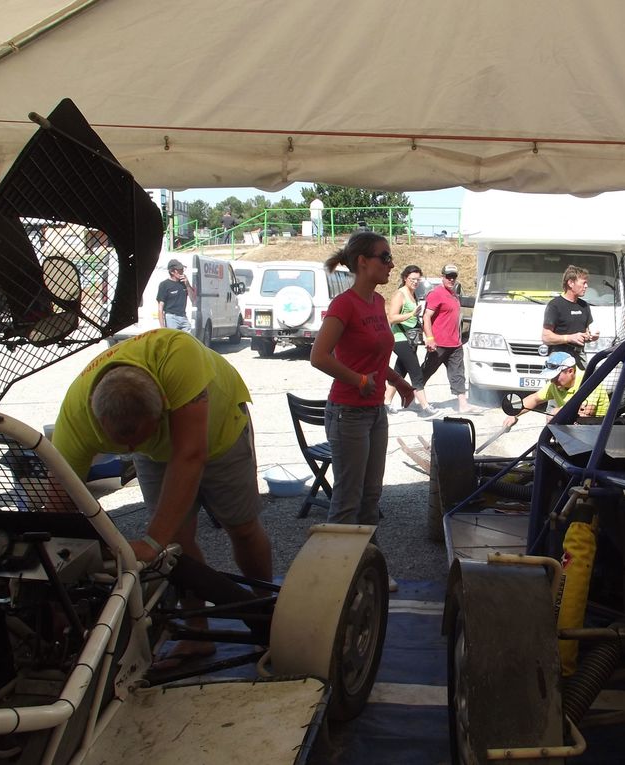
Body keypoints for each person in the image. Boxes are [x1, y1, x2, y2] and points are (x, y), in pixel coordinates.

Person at [52, 328, 271, 666]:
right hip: (158, 453)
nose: (128, 451)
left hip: (220, 431)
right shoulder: (76, 419)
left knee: (240, 527)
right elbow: (60, 500)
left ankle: (265, 613)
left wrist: (152, 541)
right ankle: (196, 632)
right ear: (99, 419)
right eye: (121, 444)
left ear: (164, 410)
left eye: (138, 439)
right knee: (176, 542)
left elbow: (190, 453)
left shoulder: (178, 355)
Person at [309, 232, 415, 589]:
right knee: (347, 499)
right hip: (348, 412)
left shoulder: (377, 302)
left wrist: (397, 381)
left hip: (373, 412)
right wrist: (358, 380)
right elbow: (319, 356)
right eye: (385, 257)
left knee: (371, 497)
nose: (391, 263)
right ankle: (331, 577)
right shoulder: (344, 305)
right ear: (362, 263)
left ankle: (369, 568)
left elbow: (377, 357)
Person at [385, 265, 440, 418]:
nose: (415, 282)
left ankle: (386, 403)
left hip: (411, 339)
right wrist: (411, 313)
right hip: (399, 339)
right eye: (412, 279)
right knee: (416, 372)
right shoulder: (400, 294)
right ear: (405, 278)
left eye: (418, 279)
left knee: (399, 372)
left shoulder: (413, 294)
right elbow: (391, 317)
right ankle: (425, 408)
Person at [502, 352, 609, 429]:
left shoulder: (589, 381)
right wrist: (514, 413)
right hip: (574, 429)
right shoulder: (555, 384)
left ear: (570, 371)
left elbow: (586, 412)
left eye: (556, 376)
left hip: (597, 431)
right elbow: (535, 398)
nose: (552, 380)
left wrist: (556, 412)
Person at [421, 263, 476, 413]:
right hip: (439, 343)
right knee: (425, 372)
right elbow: (426, 316)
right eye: (448, 276)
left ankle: (463, 405)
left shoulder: (454, 295)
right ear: (442, 277)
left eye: (454, 276)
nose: (451, 279)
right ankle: (412, 397)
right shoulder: (436, 293)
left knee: (458, 374)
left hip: (455, 344)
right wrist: (430, 338)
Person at [542, 265, 600, 367]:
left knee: (588, 381)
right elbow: (546, 337)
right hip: (559, 356)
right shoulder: (555, 305)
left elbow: (586, 332)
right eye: (583, 283)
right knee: (561, 383)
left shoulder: (584, 306)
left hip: (579, 355)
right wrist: (569, 338)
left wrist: (591, 336)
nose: (586, 286)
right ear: (571, 283)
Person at [157, 258, 196, 333]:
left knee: (188, 339)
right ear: (172, 272)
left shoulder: (184, 283)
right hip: (171, 317)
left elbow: (193, 299)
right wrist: (162, 327)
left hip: (183, 316)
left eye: (182, 269)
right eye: (179, 269)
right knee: (174, 340)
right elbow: (160, 307)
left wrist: (187, 285)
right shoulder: (164, 285)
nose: (182, 271)